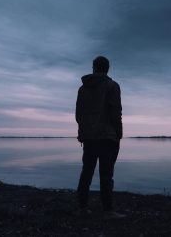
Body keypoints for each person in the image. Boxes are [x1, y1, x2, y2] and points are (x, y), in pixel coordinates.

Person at [75, 56, 124, 219]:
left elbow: (78, 115)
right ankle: (108, 210)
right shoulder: (112, 86)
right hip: (107, 137)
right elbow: (116, 113)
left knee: (86, 172)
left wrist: (84, 131)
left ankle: (81, 207)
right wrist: (119, 133)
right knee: (106, 174)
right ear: (107, 68)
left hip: (88, 138)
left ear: (94, 68)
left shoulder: (83, 89)